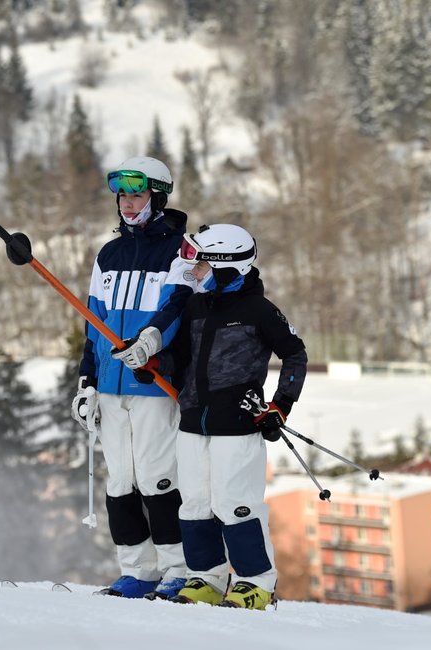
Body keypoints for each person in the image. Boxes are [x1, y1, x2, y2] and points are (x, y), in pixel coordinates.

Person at [139, 223, 308, 609]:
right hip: (192, 420)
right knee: (195, 504)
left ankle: (255, 583)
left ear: (224, 266)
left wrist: (279, 406)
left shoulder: (259, 310)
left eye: (199, 263)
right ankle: (206, 577)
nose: (192, 270)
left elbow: (295, 355)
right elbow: (180, 359)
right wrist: (153, 363)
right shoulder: (197, 305)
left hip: (237, 425)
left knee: (236, 504)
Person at [70, 156, 194, 600]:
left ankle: (178, 569)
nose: (127, 202)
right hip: (109, 386)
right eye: (122, 194)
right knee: (120, 482)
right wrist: (87, 381)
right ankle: (137, 572)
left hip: (151, 381)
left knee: (158, 478)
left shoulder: (181, 250)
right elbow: (93, 324)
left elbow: (177, 306)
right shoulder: (109, 254)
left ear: (158, 197)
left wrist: (150, 342)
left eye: (137, 193)